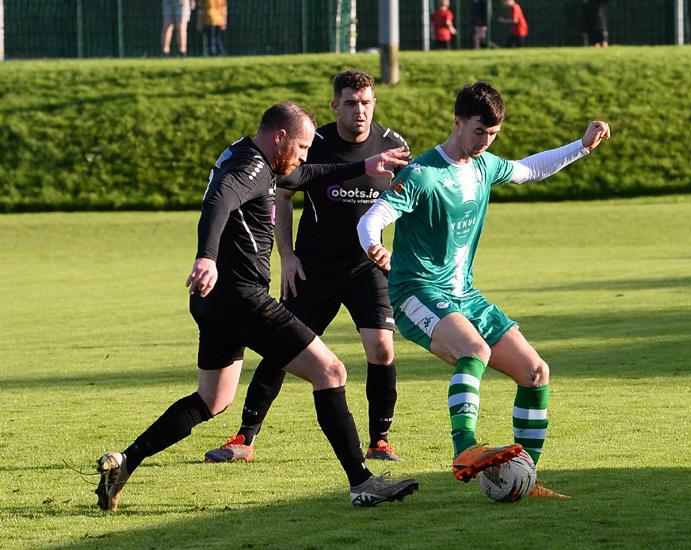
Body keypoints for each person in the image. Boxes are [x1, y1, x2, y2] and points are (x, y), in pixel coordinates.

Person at [95, 102, 419, 511]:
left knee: (212, 400)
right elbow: (219, 201)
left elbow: (303, 176)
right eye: (302, 146)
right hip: (241, 297)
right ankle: (362, 482)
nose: (305, 155)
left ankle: (126, 461)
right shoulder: (249, 167)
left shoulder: (254, 157)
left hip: (214, 302)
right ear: (279, 137)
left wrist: (364, 165)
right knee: (331, 371)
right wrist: (206, 256)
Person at [357, 82, 610, 498]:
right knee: (474, 350)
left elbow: (528, 169)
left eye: (493, 134)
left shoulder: (484, 165)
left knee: (536, 372)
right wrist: (373, 245)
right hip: (416, 291)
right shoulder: (423, 174)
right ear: (457, 122)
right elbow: (372, 217)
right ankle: (465, 448)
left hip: (464, 295)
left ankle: (525, 478)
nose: (485, 141)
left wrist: (581, 147)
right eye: (479, 131)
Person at [204, 70, 410, 464]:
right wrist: (287, 254)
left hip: (367, 267)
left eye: (366, 102)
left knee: (382, 348)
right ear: (335, 105)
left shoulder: (393, 145)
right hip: (314, 267)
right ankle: (244, 438)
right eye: (351, 103)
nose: (360, 110)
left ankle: (380, 442)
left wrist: (395, 252)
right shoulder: (315, 143)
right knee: (282, 348)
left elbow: (410, 199)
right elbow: (281, 193)